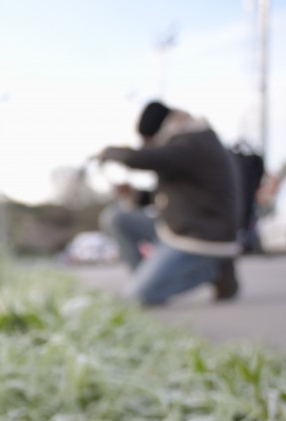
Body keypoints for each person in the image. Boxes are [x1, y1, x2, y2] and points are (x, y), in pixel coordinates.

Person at [98, 100, 241, 304]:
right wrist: (134, 193)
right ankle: (148, 279)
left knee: (136, 297)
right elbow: (172, 196)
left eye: (149, 140)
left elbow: (141, 159)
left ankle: (215, 271)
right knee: (116, 218)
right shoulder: (187, 143)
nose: (148, 146)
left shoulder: (193, 141)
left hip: (200, 238)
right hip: (176, 229)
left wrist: (109, 152)